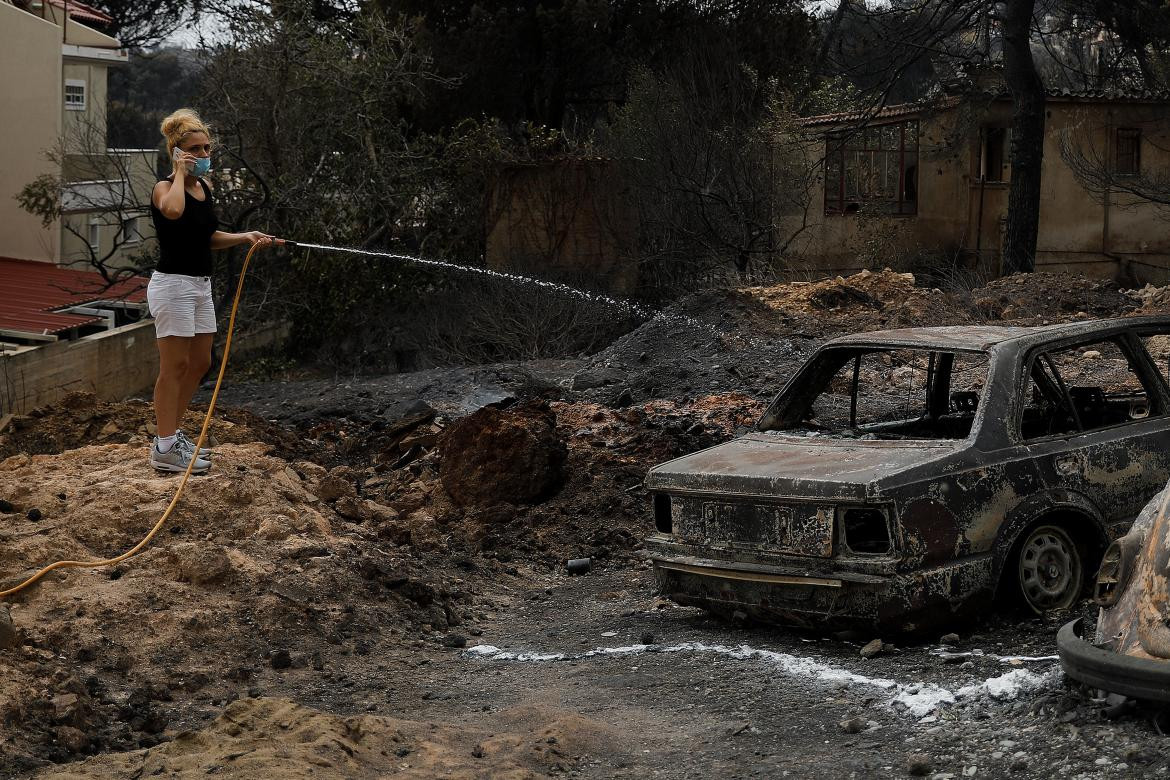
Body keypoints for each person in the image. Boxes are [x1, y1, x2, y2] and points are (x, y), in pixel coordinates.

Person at [147, 108, 279, 473]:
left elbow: (207, 238)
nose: (205, 156)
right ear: (178, 151)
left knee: (201, 363)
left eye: (207, 149)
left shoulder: (205, 188)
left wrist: (245, 237)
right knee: (174, 365)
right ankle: (165, 445)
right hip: (172, 286)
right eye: (197, 150)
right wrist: (178, 173)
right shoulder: (165, 188)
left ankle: (171, 436)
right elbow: (173, 212)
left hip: (200, 284)